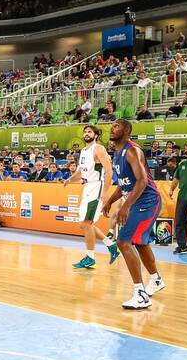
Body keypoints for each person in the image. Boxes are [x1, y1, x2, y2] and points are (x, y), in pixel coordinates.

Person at [101, 119, 164, 310]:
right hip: (138, 200)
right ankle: (156, 279)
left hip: (148, 200)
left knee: (123, 241)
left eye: (117, 126)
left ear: (127, 130)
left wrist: (125, 207)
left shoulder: (132, 151)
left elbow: (142, 181)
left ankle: (141, 294)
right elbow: (124, 184)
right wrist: (111, 201)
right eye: (111, 126)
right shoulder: (117, 154)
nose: (112, 128)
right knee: (139, 242)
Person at [63, 124, 119, 268]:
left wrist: (105, 191)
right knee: (85, 224)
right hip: (87, 187)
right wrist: (70, 179)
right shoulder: (83, 150)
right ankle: (111, 245)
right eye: (85, 132)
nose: (86, 134)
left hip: (97, 187)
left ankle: (90, 257)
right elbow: (81, 171)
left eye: (90, 132)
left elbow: (109, 171)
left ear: (96, 135)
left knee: (87, 223)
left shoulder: (98, 149)